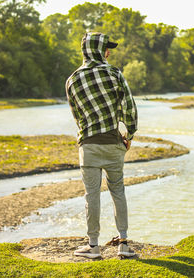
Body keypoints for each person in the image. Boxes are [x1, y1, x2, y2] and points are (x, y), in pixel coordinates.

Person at [65, 32, 138, 259]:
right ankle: (123, 244)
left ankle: (93, 247)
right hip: (113, 142)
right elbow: (129, 108)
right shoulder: (114, 73)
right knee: (118, 191)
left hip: (88, 146)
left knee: (91, 195)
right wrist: (130, 134)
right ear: (98, 50)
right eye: (106, 48)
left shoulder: (72, 80)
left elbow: (77, 116)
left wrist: (85, 136)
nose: (108, 52)